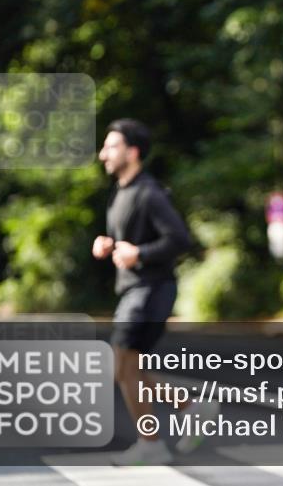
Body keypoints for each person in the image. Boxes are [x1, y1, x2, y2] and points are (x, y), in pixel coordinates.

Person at [93, 118, 214, 466]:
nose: (104, 154)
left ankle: (152, 442)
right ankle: (190, 407)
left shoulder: (148, 192)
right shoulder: (121, 192)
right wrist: (110, 245)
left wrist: (140, 254)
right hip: (135, 289)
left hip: (150, 290)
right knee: (125, 369)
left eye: (111, 146)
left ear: (132, 152)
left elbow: (179, 239)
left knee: (124, 368)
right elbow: (133, 240)